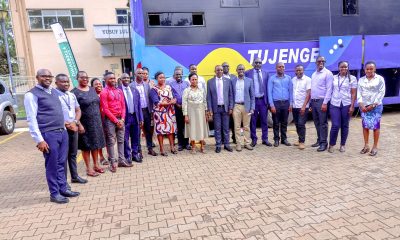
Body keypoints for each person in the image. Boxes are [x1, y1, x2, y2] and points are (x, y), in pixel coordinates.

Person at [25, 69, 79, 204]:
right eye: (44, 76)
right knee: (52, 165)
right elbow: (31, 119)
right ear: (37, 77)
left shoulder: (54, 92)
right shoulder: (32, 95)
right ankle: (54, 193)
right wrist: (39, 140)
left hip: (62, 132)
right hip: (48, 134)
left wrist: (70, 123)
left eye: (49, 76)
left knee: (61, 163)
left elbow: (62, 111)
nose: (47, 78)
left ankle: (63, 188)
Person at [54, 74, 88, 186]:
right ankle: (63, 182)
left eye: (67, 82)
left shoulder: (71, 95)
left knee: (73, 154)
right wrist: (66, 124)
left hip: (73, 128)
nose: (66, 84)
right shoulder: (54, 95)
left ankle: (75, 176)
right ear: (56, 83)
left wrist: (75, 122)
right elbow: (53, 113)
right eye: (63, 82)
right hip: (61, 129)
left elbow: (78, 110)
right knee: (62, 156)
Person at [72, 71, 106, 177]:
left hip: (96, 122)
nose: (85, 79)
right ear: (77, 78)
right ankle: (88, 168)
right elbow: (73, 110)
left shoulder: (92, 89)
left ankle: (96, 165)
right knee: (86, 146)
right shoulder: (74, 93)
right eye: (82, 77)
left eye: (86, 77)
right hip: (84, 123)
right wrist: (79, 124)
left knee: (96, 144)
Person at [100, 72, 130, 172]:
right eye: (110, 79)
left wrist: (122, 119)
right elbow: (105, 109)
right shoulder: (104, 92)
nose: (113, 80)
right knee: (111, 141)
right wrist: (116, 120)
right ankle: (113, 162)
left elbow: (123, 106)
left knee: (121, 140)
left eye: (114, 78)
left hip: (120, 119)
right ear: (105, 80)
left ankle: (121, 160)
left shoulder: (119, 91)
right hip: (110, 120)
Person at [328, 61, 357, 153]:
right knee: (335, 125)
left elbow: (353, 93)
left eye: (345, 67)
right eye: (341, 67)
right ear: (338, 68)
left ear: (348, 68)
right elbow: (330, 90)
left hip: (346, 104)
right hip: (334, 103)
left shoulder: (352, 78)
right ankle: (331, 145)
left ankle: (342, 145)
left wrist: (352, 106)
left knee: (345, 125)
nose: (343, 69)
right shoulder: (333, 78)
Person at [357, 61, 386, 156]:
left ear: (375, 69)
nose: (369, 71)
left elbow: (381, 93)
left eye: (371, 69)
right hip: (364, 107)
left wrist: (372, 105)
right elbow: (359, 93)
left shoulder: (380, 79)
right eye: (367, 69)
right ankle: (366, 145)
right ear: (364, 69)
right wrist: (361, 105)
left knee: (375, 126)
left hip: (376, 107)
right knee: (365, 126)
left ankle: (375, 146)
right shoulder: (361, 80)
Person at [130, 68, 158, 156]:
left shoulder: (146, 85)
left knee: (148, 130)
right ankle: (139, 151)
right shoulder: (131, 86)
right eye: (139, 73)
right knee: (137, 132)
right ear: (135, 74)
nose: (141, 75)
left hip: (146, 110)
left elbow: (150, 97)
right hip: (136, 112)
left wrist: (152, 110)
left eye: (142, 73)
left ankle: (150, 148)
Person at [245, 58, 272, 147]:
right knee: (253, 121)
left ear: (261, 64)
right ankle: (254, 139)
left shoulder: (266, 73)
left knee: (264, 120)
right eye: (256, 62)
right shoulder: (248, 73)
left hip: (263, 100)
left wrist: (268, 101)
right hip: (253, 101)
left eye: (259, 63)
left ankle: (265, 139)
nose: (258, 64)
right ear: (253, 63)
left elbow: (268, 88)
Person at [207, 65, 234, 153]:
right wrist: (210, 109)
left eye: (221, 70)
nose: (220, 71)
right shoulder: (210, 82)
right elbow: (209, 97)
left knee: (226, 128)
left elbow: (230, 95)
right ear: (215, 71)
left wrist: (231, 107)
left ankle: (226, 144)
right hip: (216, 109)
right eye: (218, 70)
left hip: (225, 108)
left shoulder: (228, 81)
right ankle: (218, 145)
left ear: (223, 71)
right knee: (217, 128)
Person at [150, 71, 177, 156]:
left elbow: (175, 97)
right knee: (160, 131)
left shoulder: (169, 87)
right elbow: (156, 102)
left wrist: (174, 100)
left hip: (169, 112)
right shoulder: (153, 89)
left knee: (170, 130)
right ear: (156, 79)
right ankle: (162, 149)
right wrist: (169, 103)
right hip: (159, 114)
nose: (162, 79)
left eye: (163, 77)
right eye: (160, 77)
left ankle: (172, 147)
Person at [310, 56, 333, 152]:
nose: (321, 63)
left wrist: (325, 103)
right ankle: (319, 140)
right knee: (316, 122)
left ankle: (324, 143)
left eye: (323, 61)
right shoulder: (314, 74)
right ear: (316, 62)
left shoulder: (328, 73)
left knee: (323, 123)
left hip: (321, 101)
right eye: (319, 61)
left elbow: (329, 89)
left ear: (325, 62)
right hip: (314, 101)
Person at [120, 73, 144, 163]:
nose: (126, 79)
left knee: (135, 137)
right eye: (124, 78)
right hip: (125, 118)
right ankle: (127, 155)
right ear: (121, 79)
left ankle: (135, 154)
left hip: (135, 117)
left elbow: (139, 106)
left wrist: (141, 118)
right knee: (125, 138)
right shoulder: (118, 90)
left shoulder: (134, 90)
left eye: (128, 78)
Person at [268, 62, 293, 147]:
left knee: (284, 122)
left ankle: (284, 139)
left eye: (283, 67)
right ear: (276, 68)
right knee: (276, 123)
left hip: (286, 103)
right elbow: (269, 92)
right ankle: (276, 139)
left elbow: (291, 92)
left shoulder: (288, 78)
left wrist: (291, 104)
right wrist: (272, 105)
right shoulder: (272, 79)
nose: (281, 68)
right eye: (279, 67)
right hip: (276, 103)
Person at [182, 73, 208, 153]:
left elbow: (204, 101)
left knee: (201, 128)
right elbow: (184, 103)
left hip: (201, 111)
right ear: (189, 80)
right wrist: (185, 115)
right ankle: (193, 147)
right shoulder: (186, 90)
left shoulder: (202, 90)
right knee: (192, 128)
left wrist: (206, 112)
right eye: (192, 79)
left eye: (195, 79)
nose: (194, 81)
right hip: (191, 112)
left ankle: (202, 147)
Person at [231, 64, 255, 151]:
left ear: (244, 70)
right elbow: (231, 95)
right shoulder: (233, 81)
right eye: (239, 69)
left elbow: (252, 96)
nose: (241, 70)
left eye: (242, 69)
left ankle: (247, 143)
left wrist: (252, 107)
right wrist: (231, 107)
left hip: (247, 106)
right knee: (237, 126)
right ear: (236, 70)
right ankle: (238, 144)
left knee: (246, 126)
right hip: (236, 106)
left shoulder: (249, 81)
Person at [169, 68, 192, 151]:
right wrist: (177, 104)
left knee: (186, 125)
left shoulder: (186, 83)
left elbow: (189, 94)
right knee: (179, 126)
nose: (178, 76)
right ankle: (180, 144)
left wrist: (185, 104)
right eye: (177, 74)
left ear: (182, 74)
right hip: (177, 107)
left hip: (186, 107)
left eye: (180, 74)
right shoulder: (171, 84)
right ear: (174, 75)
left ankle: (187, 143)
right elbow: (171, 96)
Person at [291, 65, 311, 150]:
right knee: (296, 124)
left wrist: (304, 106)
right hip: (295, 106)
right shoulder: (293, 80)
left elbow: (308, 94)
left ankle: (302, 142)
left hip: (303, 106)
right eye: (297, 70)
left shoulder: (308, 80)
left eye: (300, 70)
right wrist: (291, 104)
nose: (299, 72)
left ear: (303, 71)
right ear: (295, 71)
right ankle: (299, 140)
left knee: (301, 124)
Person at [90, 78, 108, 165]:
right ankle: (101, 157)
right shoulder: (92, 96)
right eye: (96, 84)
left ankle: (109, 155)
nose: (98, 85)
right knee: (99, 139)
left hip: (107, 119)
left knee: (108, 138)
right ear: (92, 87)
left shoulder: (104, 93)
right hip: (97, 121)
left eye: (99, 83)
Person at [222, 62, 237, 144]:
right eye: (224, 66)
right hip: (224, 104)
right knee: (224, 123)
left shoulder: (234, 77)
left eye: (227, 66)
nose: (225, 68)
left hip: (234, 103)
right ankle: (224, 139)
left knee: (234, 122)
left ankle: (234, 138)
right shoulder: (218, 77)